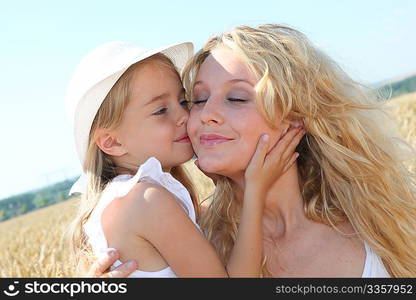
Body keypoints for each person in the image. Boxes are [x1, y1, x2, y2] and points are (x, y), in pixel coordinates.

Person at [91, 24, 416, 278]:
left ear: (296, 116)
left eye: (237, 98)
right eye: (199, 99)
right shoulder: (189, 238)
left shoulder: (384, 222)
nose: (206, 114)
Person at [65, 40, 304, 277]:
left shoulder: (126, 202)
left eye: (184, 101)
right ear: (112, 143)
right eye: (160, 111)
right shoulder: (149, 201)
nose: (184, 116)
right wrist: (256, 189)